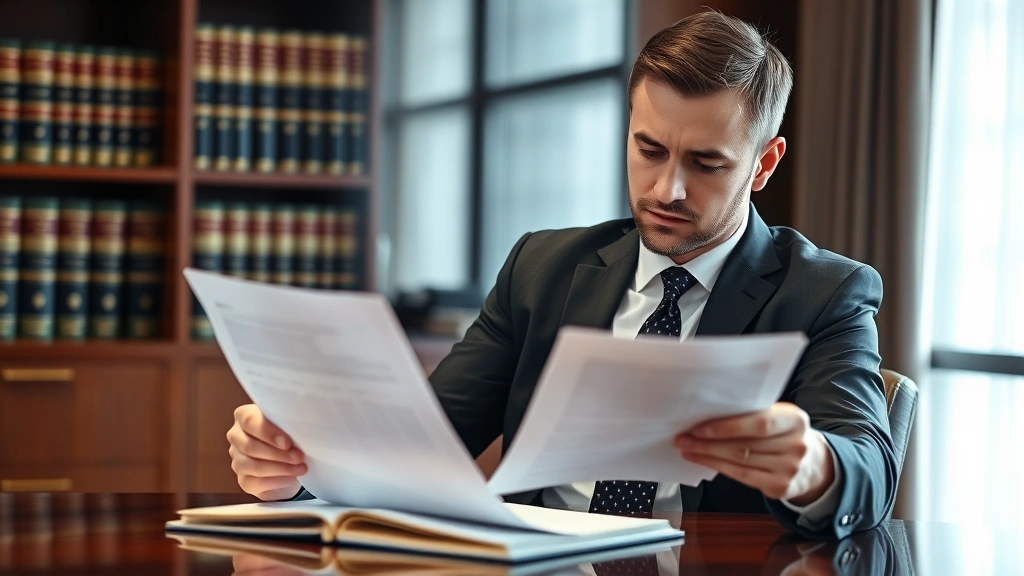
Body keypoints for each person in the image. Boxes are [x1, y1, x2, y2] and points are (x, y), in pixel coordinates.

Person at [225, 10, 897, 540]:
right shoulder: (542, 269)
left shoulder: (823, 292)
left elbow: (869, 468)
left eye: (707, 163)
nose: (668, 188)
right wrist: (294, 473)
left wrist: (813, 465)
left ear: (764, 164)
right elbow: (419, 448)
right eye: (649, 149)